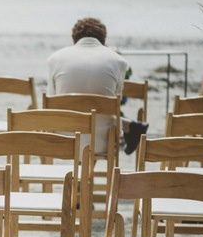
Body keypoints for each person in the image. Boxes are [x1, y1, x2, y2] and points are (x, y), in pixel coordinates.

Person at [47, 17, 148, 155]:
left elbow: (50, 106)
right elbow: (115, 104)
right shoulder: (119, 61)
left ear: (74, 39)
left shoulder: (55, 58)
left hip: (62, 140)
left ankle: (131, 126)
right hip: (101, 143)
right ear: (103, 40)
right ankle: (131, 126)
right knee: (105, 115)